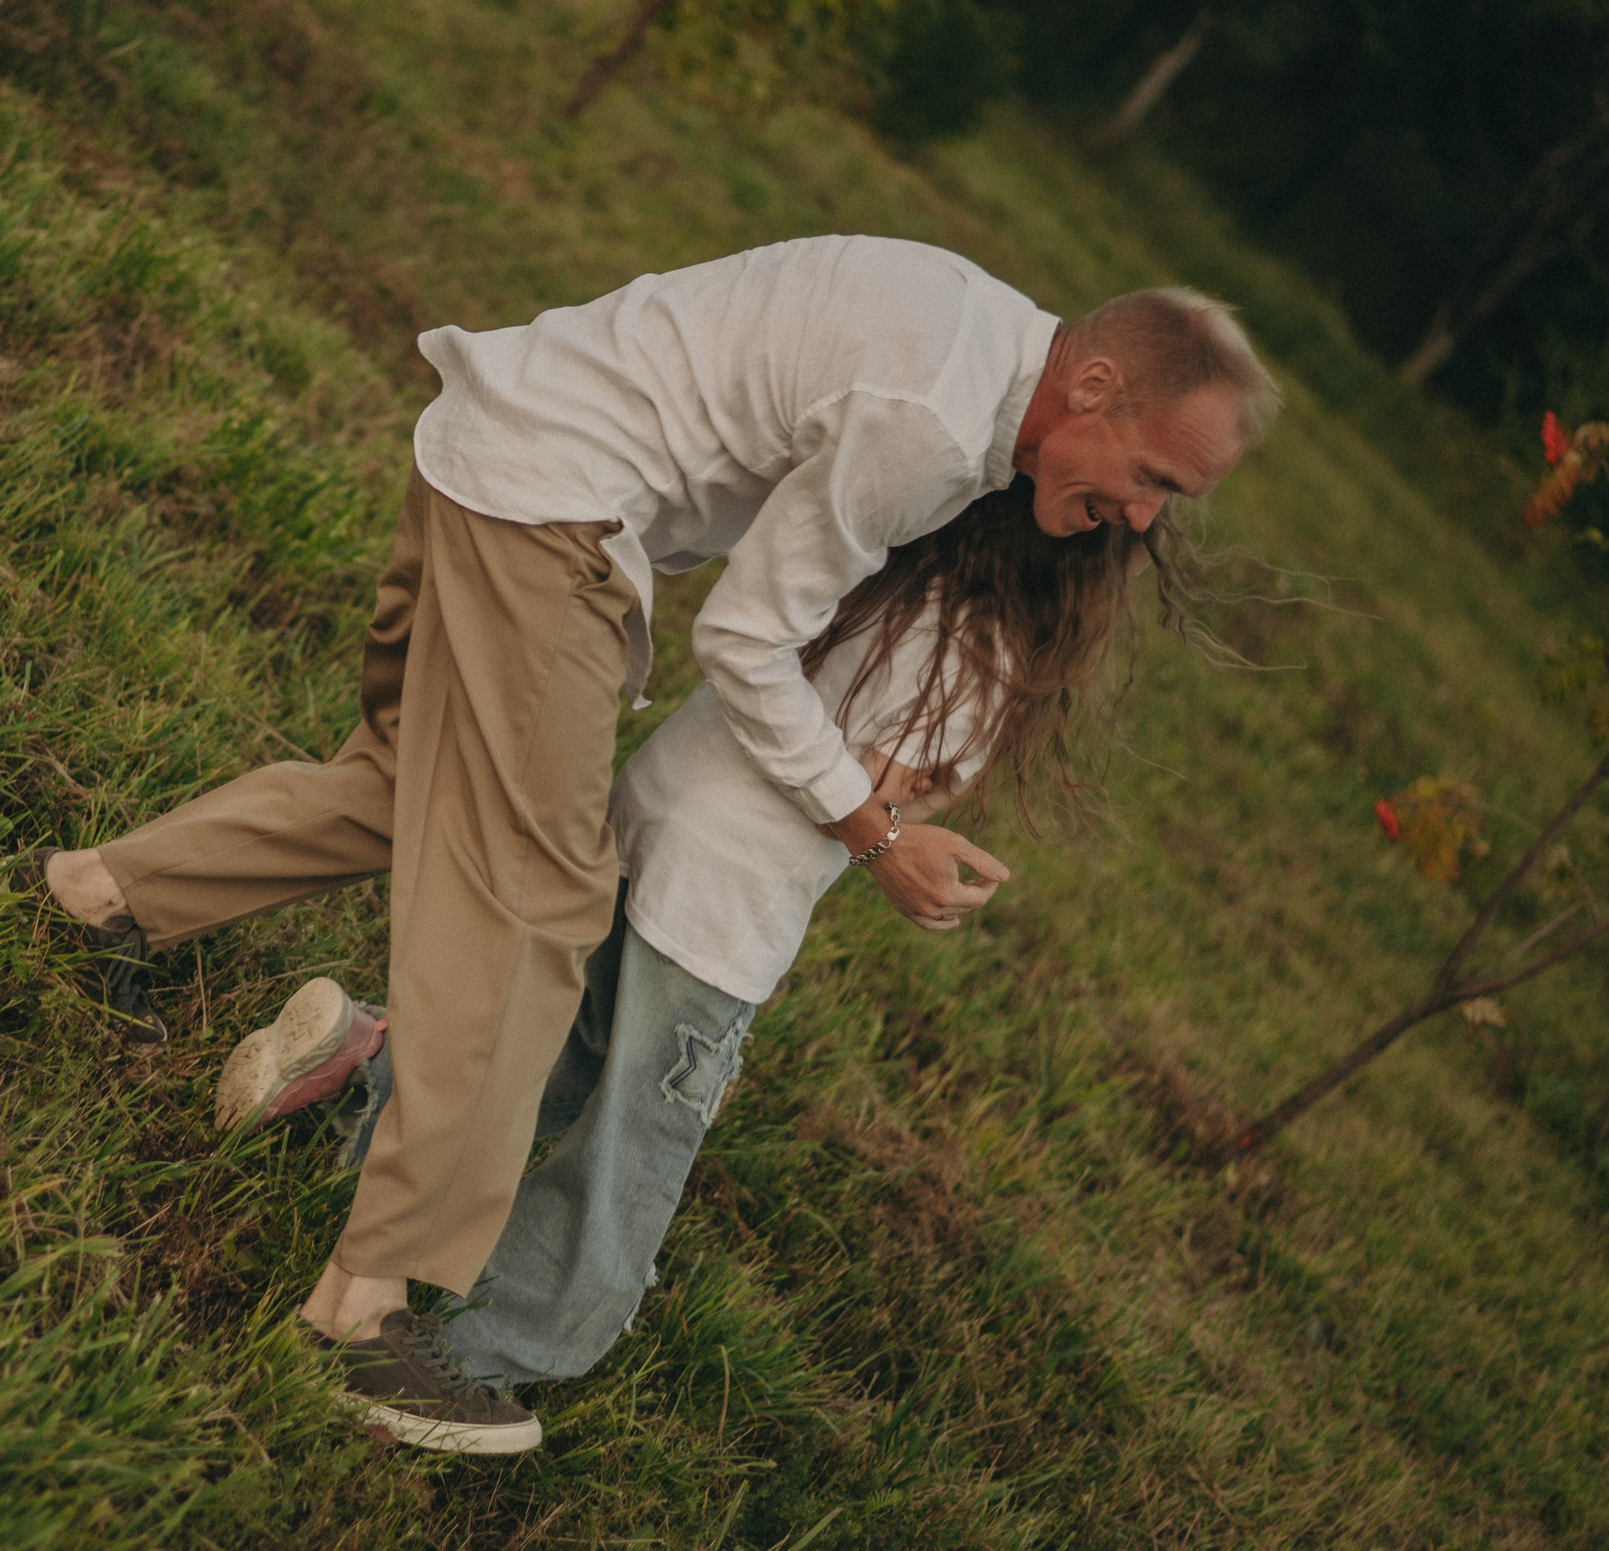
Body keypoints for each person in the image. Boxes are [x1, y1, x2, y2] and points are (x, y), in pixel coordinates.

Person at [20, 237, 1275, 1452]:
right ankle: (361, 1308)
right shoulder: (936, 424)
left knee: (413, 785)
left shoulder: (977, 338)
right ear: (1094, 385)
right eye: (1153, 477)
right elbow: (743, 642)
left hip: (501, 454)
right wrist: (873, 825)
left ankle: (102, 891)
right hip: (551, 513)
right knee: (537, 905)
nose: (1140, 518)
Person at [211, 475, 1181, 1438]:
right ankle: (483, 1347)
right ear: (1090, 576)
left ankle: (360, 1081)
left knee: (550, 1054)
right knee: (627, 1159)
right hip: (724, 915)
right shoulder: (979, 657)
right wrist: (911, 821)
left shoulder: (885, 570)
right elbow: (877, 788)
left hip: (646, 823)